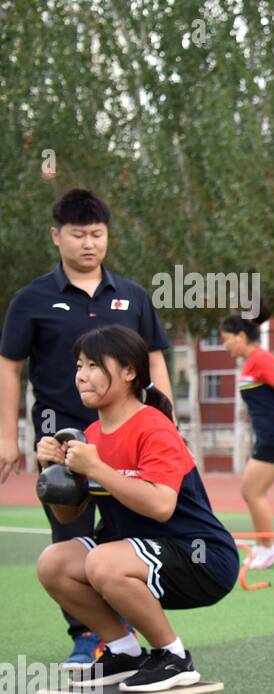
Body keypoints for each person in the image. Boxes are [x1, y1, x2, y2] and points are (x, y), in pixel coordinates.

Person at [0, 188, 174, 668]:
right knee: (69, 537)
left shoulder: (133, 297)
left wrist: (166, 422)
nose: (89, 243)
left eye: (97, 234)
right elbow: (9, 367)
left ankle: (131, 633)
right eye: (78, 235)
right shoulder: (31, 300)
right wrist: (7, 437)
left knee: (129, 531)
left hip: (128, 440)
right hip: (62, 443)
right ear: (57, 237)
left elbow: (154, 359)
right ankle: (87, 636)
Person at [35, 326, 238, 691]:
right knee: (54, 563)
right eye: (79, 365)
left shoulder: (154, 428)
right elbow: (69, 516)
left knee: (102, 561)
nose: (81, 375)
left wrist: (97, 469)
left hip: (201, 558)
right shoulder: (90, 437)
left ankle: (173, 656)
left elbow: (161, 506)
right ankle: (124, 651)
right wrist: (53, 472)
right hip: (132, 557)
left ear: (129, 371)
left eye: (94, 365)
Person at [218, 306, 274, 569]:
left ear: (240, 336)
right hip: (266, 435)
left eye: (226, 339)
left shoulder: (261, 358)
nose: (224, 346)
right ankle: (264, 545)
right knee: (252, 491)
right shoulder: (250, 362)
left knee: (252, 491)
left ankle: (268, 548)